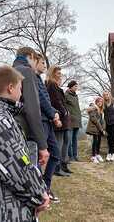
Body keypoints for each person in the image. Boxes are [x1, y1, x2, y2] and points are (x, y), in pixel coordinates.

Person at [0, 65, 50, 222]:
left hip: (0, 205)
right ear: (10, 88)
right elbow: (17, 168)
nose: (21, 93)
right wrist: (39, 196)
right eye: (20, 88)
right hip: (4, 209)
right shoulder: (0, 121)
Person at [13, 47, 49, 167]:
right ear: (31, 56)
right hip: (26, 132)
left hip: (9, 131)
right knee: (29, 174)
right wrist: (43, 146)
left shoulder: (8, 71)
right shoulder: (27, 72)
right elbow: (32, 109)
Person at [34, 54, 62, 202]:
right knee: (40, 157)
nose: (44, 65)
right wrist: (54, 114)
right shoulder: (34, 78)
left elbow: (47, 101)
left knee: (55, 154)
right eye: (42, 62)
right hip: (42, 121)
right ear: (34, 62)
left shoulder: (38, 79)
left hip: (48, 120)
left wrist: (54, 114)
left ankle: (45, 185)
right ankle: (39, 189)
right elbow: (42, 100)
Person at [46, 65, 72, 175]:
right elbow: (55, 101)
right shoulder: (51, 85)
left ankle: (63, 164)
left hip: (64, 117)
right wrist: (63, 111)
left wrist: (66, 111)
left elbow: (61, 101)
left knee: (66, 140)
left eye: (60, 73)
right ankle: (57, 168)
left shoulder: (56, 86)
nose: (60, 75)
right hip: (58, 116)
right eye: (58, 73)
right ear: (52, 73)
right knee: (59, 142)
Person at [65, 80, 82, 162]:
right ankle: (70, 156)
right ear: (71, 87)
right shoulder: (66, 95)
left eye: (76, 86)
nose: (76, 88)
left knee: (75, 139)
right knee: (69, 139)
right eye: (75, 86)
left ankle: (75, 156)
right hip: (70, 120)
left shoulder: (76, 96)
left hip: (77, 120)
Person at [86, 98, 105, 164]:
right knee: (95, 141)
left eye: (101, 102)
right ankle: (93, 156)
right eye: (99, 102)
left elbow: (101, 120)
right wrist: (101, 128)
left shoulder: (101, 110)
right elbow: (94, 119)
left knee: (99, 141)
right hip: (94, 127)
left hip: (99, 128)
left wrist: (102, 128)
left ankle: (97, 154)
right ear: (96, 102)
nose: (100, 103)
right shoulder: (93, 109)